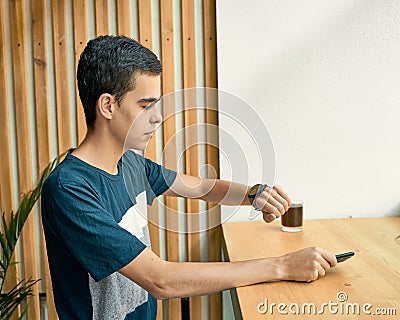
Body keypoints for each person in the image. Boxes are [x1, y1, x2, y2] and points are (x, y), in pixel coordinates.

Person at [41, 35, 337, 320]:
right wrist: (282, 266)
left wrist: (253, 194)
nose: (157, 117)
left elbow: (199, 187)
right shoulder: (69, 189)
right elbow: (161, 280)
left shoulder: (131, 164)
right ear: (108, 106)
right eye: (145, 106)